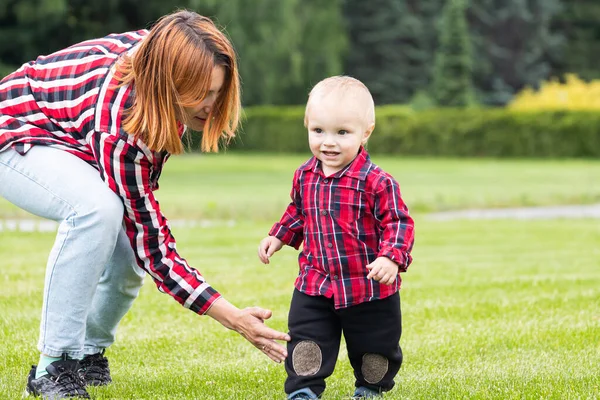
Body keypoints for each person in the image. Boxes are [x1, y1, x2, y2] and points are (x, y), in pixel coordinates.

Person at [0, 10, 290, 399]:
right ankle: (55, 366)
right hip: (17, 127)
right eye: (200, 94)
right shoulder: (121, 125)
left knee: (127, 254)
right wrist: (234, 317)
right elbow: (156, 248)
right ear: (167, 86)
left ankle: (89, 354)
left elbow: (142, 244)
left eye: (217, 91)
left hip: (72, 137)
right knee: (96, 210)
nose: (210, 104)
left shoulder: (165, 59)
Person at [257, 76, 415, 399]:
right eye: (318, 131)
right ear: (307, 126)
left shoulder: (377, 182)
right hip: (315, 284)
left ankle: (370, 388)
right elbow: (299, 212)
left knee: (376, 347)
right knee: (306, 341)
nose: (328, 142)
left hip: (368, 288)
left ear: (365, 132)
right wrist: (279, 236)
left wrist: (390, 257)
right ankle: (303, 390)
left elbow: (399, 222)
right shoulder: (305, 175)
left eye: (342, 133)